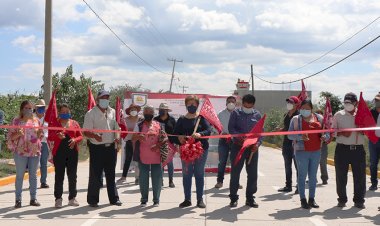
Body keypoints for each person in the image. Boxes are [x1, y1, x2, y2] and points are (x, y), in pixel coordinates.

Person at [83, 90, 122, 207]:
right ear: (98, 99)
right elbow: (85, 132)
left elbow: (116, 127)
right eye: (103, 97)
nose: (105, 99)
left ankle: (114, 199)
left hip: (111, 147)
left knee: (111, 174)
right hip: (97, 148)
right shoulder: (90, 113)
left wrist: (117, 138)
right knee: (95, 174)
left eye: (107, 97)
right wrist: (94, 135)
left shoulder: (113, 111)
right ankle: (93, 200)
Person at [288, 99, 329, 209]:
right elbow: (289, 135)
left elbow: (326, 133)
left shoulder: (319, 118)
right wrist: (300, 137)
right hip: (301, 151)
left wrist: (325, 137)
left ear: (311, 109)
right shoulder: (296, 119)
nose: (305, 110)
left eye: (307, 109)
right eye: (303, 108)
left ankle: (312, 199)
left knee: (313, 177)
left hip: (316, 151)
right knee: (302, 176)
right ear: (300, 108)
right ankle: (303, 199)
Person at [173, 95, 212, 208]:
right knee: (186, 175)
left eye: (193, 104)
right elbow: (175, 134)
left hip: (201, 150)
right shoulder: (181, 119)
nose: (191, 106)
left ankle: (200, 199)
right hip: (186, 151)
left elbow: (208, 130)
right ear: (186, 105)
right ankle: (187, 199)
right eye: (189, 104)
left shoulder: (201, 117)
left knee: (199, 174)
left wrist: (200, 134)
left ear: (197, 105)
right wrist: (179, 138)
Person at [333, 92, 366, 209]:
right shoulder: (338, 115)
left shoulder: (362, 114)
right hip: (342, 149)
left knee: (360, 176)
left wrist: (364, 131)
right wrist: (341, 132)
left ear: (356, 103)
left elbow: (369, 130)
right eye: (345, 102)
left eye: (350, 102)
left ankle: (359, 200)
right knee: (341, 176)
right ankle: (342, 199)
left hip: (358, 150)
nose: (347, 104)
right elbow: (331, 131)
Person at [228, 94, 262, 208]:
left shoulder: (257, 115)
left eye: (250, 106)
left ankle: (250, 198)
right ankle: (233, 198)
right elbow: (231, 128)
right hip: (238, 147)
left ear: (253, 104)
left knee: (252, 174)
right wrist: (239, 138)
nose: (247, 107)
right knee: (235, 173)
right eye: (245, 105)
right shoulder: (235, 113)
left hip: (252, 149)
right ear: (242, 104)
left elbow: (261, 132)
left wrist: (257, 144)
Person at [7, 100, 43, 208]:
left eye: (30, 108)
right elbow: (10, 137)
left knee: (33, 176)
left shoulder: (36, 121)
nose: (29, 110)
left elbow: (39, 137)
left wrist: (39, 134)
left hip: (34, 152)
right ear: (22, 109)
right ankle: (18, 200)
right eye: (26, 108)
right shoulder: (16, 121)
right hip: (20, 153)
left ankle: (33, 198)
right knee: (19, 176)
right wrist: (18, 133)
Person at [49, 104, 83, 208]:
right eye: (62, 112)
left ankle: (72, 198)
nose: (65, 113)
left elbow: (81, 136)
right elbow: (50, 136)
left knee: (72, 176)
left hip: (72, 153)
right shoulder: (55, 123)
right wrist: (57, 136)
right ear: (59, 112)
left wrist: (75, 140)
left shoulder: (75, 123)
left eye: (67, 111)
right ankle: (58, 199)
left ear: (70, 112)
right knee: (59, 176)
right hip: (59, 153)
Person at [133, 105, 165, 207]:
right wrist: (138, 136)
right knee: (143, 178)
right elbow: (132, 137)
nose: (148, 113)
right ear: (143, 113)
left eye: (150, 112)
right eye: (146, 111)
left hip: (156, 156)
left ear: (153, 114)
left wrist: (158, 145)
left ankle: (156, 200)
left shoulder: (159, 124)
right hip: (143, 156)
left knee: (157, 178)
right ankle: (144, 200)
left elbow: (165, 138)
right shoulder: (138, 125)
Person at [215, 96, 242, 189]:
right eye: (229, 101)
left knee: (236, 162)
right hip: (223, 140)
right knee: (222, 162)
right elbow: (215, 126)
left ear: (235, 103)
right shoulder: (220, 114)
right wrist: (221, 133)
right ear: (226, 103)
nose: (231, 103)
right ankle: (219, 181)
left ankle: (236, 182)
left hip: (236, 141)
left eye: (232, 101)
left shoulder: (239, 113)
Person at [277, 96, 300, 193]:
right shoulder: (286, 115)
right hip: (286, 143)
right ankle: (288, 185)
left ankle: (299, 186)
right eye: (288, 102)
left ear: (296, 104)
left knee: (298, 166)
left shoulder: (299, 116)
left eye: (291, 102)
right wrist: (281, 130)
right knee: (287, 165)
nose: (289, 104)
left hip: (296, 143)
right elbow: (286, 128)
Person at [117, 103, 142, 184]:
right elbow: (122, 131)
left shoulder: (141, 119)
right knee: (127, 159)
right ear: (129, 111)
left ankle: (138, 177)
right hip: (129, 142)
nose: (133, 111)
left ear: (137, 110)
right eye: (132, 109)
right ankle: (124, 177)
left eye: (135, 109)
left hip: (138, 142)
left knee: (137, 160)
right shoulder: (125, 120)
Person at [154, 103, 176, 188]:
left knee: (170, 163)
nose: (161, 111)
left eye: (163, 109)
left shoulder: (172, 120)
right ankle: (161, 180)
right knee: (160, 162)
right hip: (159, 143)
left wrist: (176, 143)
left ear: (167, 111)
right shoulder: (155, 119)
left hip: (170, 144)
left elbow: (176, 132)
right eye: (160, 109)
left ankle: (171, 181)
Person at [35, 99, 50, 189]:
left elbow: (50, 131)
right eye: (39, 107)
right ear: (36, 108)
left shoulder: (47, 119)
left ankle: (43, 181)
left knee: (44, 163)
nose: (41, 109)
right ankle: (33, 182)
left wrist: (46, 135)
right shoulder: (32, 118)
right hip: (34, 143)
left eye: (42, 107)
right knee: (34, 164)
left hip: (44, 142)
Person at [368, 93, 380, 191]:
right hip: (373, 141)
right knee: (373, 163)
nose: (377, 102)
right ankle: (373, 183)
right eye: (376, 100)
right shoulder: (371, 112)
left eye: (378, 100)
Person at [315, 109, 329, 185]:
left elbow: (328, 134)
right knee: (313, 163)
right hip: (314, 145)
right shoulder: (313, 123)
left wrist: (325, 137)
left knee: (322, 162)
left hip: (322, 145)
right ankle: (313, 178)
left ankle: (324, 178)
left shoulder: (324, 125)